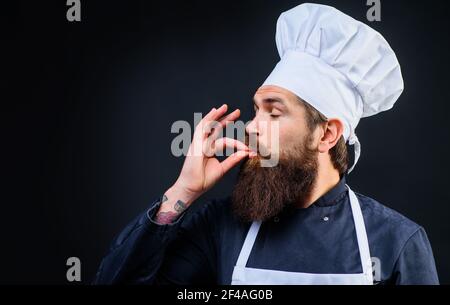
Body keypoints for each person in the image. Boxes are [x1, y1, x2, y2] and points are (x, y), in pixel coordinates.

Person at [93, 3, 439, 285]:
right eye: (256, 111)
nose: (252, 128)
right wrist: (183, 190)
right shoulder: (222, 227)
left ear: (327, 134)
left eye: (273, 113)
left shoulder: (395, 241)